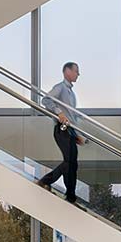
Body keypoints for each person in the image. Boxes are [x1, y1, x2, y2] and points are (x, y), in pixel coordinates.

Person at [34, 60, 82, 204]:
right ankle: (45, 181)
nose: (78, 74)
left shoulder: (71, 93)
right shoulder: (60, 88)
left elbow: (72, 116)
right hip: (62, 129)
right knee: (69, 161)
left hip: (70, 130)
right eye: (76, 71)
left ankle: (71, 196)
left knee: (73, 163)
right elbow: (46, 100)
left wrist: (77, 134)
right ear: (67, 71)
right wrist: (59, 113)